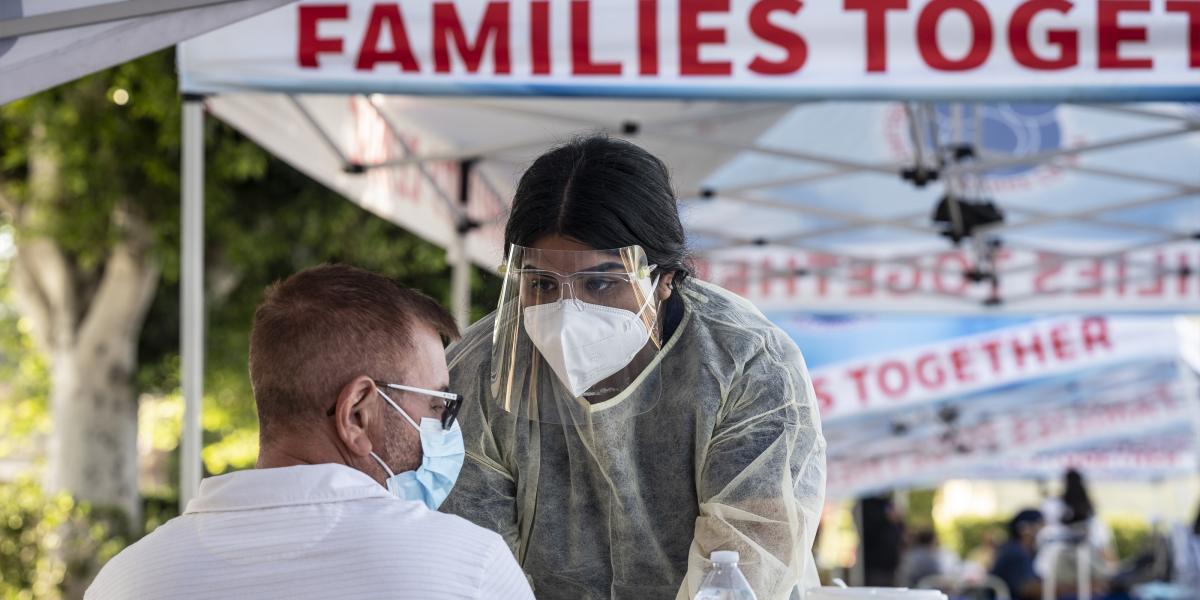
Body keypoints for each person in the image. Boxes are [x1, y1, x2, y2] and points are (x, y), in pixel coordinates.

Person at [440, 135, 827, 600]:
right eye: (542, 284)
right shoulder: (482, 371)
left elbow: (749, 555)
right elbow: (473, 563)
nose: (567, 314)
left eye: (600, 283)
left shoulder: (746, 362)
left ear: (664, 279)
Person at [86, 265, 535, 600]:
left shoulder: (127, 580)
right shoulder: (468, 570)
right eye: (437, 405)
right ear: (357, 414)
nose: (443, 429)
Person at [992, 509, 1045, 600]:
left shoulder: (1028, 551)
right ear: (1025, 529)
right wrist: (1068, 588)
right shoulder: (1015, 552)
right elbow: (1026, 588)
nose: (1043, 529)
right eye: (1040, 525)